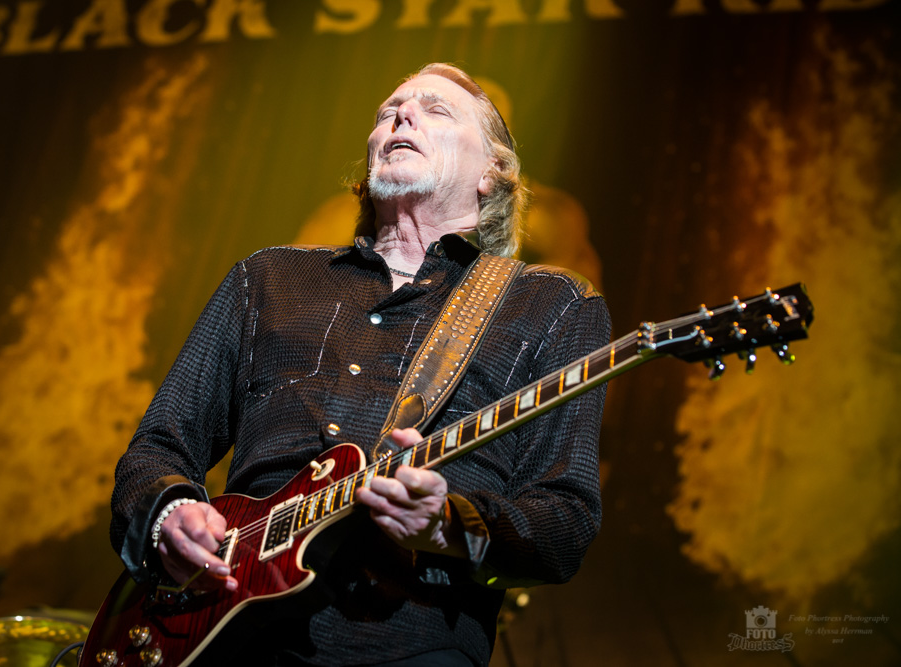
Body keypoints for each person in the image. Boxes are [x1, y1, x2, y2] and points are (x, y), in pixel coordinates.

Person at [110, 63, 611, 666]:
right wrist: (170, 514)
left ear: (493, 172)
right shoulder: (268, 277)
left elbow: (566, 519)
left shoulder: (553, 305)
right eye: (388, 111)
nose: (400, 115)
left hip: (407, 643)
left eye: (436, 110)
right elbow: (159, 444)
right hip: (218, 634)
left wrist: (449, 524)